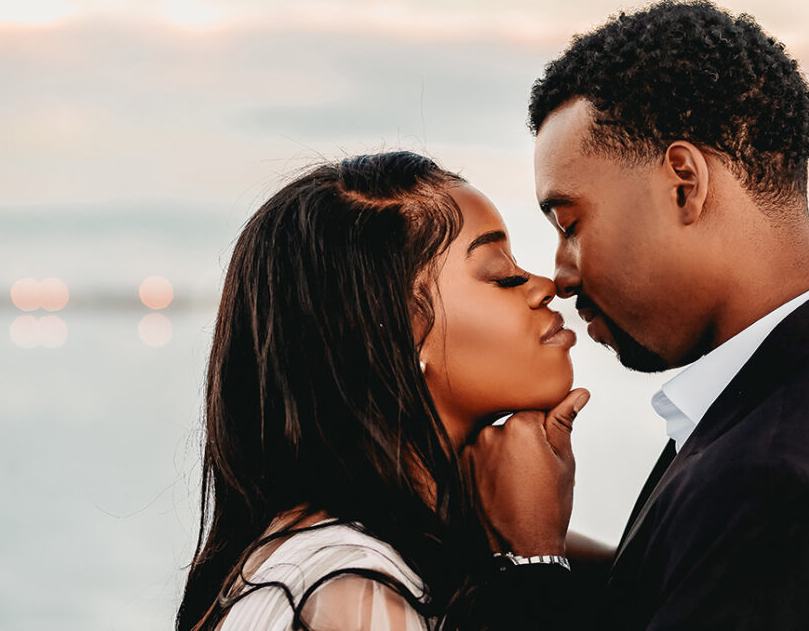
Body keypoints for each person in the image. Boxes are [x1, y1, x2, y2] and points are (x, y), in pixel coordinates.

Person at [465, 0, 809, 629]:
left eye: (570, 224)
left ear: (684, 183)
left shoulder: (777, 481)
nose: (560, 277)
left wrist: (530, 563)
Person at [176, 152, 590, 631]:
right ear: (400, 331)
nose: (545, 286)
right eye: (502, 274)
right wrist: (537, 558)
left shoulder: (330, 557)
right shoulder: (353, 594)